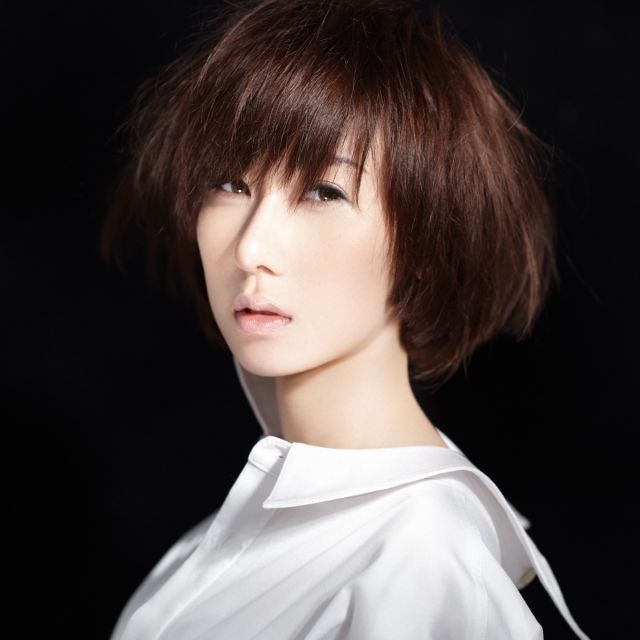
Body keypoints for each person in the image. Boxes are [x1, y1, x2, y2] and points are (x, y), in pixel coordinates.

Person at [100, 1, 591, 637]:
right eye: (229, 184)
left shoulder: (419, 566)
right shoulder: (224, 538)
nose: (251, 249)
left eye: (323, 192)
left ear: (425, 243)